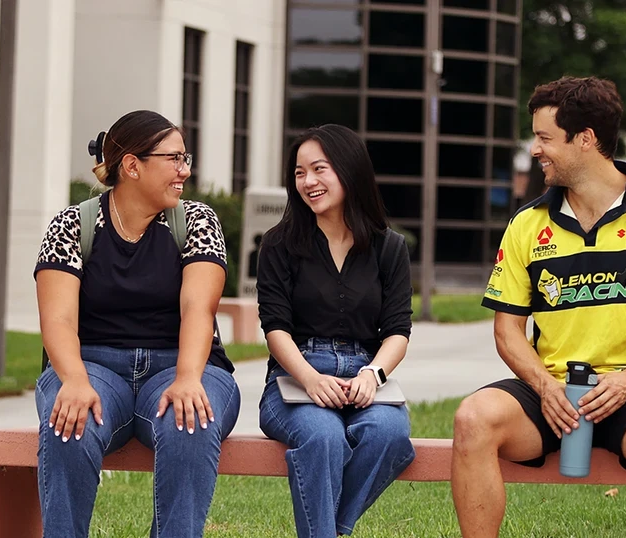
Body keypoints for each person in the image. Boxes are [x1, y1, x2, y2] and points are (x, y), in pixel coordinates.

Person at [451, 76, 626, 538]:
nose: (535, 149)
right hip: (549, 395)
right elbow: (507, 331)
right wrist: (544, 387)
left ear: (586, 140)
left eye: (545, 138)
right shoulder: (526, 225)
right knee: (472, 418)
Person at [33, 110, 240, 537]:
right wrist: (72, 380)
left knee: (191, 420)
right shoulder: (72, 225)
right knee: (69, 422)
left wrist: (187, 377)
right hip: (92, 367)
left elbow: (198, 310)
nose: (185, 170)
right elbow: (57, 317)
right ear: (132, 165)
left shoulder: (196, 221)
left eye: (186, 158)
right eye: (175, 159)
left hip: (181, 364)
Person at [255, 124, 415, 538]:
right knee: (323, 435)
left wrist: (372, 374)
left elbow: (398, 330)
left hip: (364, 372)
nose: (308, 181)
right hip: (293, 377)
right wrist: (309, 379)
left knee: (390, 433)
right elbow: (274, 328)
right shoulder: (278, 244)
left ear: (348, 170)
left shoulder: (389, 247)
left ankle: (332, 528)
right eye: (299, 172)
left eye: (319, 169)